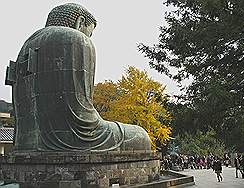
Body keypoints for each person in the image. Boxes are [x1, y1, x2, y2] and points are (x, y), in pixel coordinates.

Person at [5, 3, 151, 152]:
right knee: (140, 135)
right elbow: (82, 114)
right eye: (90, 32)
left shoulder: (25, 45)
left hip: (24, 143)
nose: (89, 36)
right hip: (76, 138)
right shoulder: (76, 39)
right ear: (80, 22)